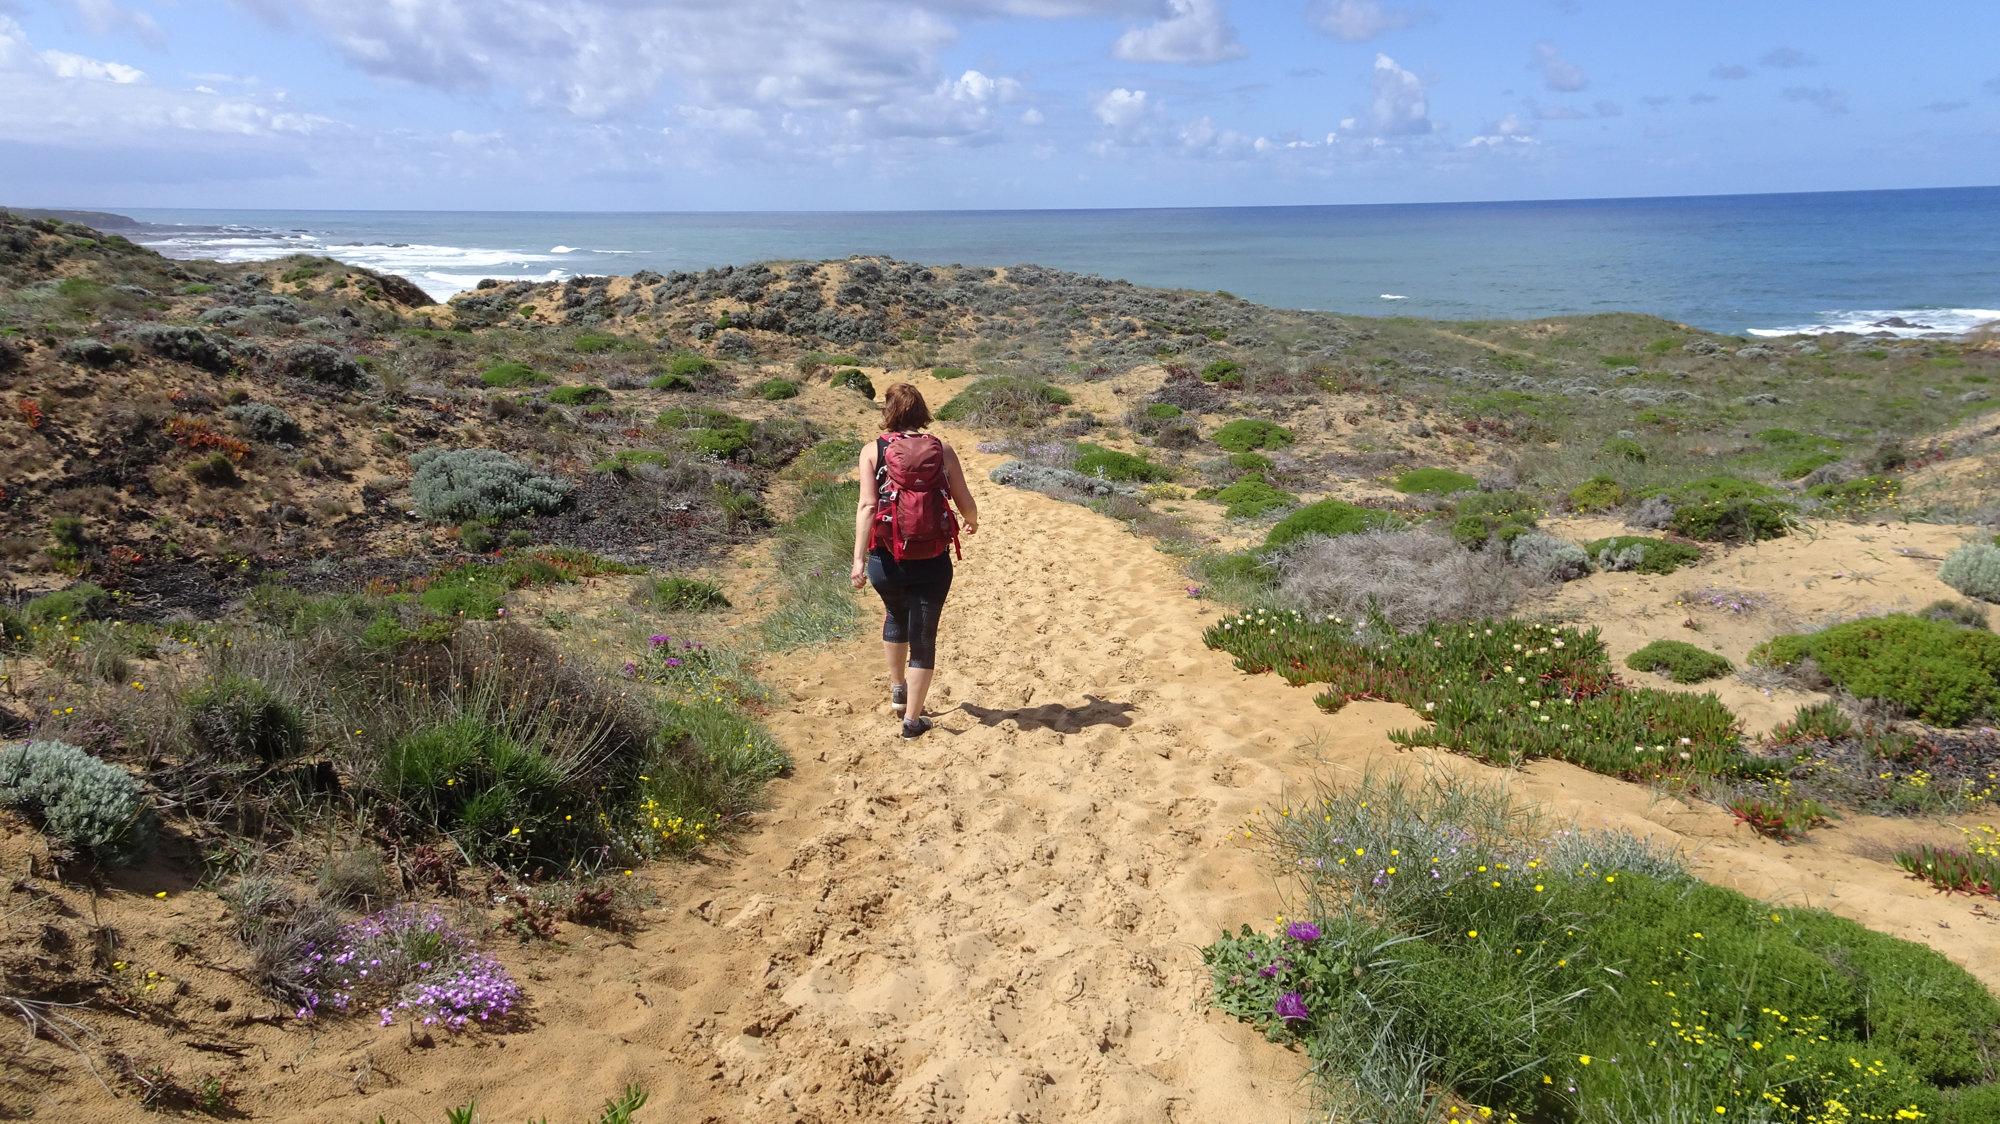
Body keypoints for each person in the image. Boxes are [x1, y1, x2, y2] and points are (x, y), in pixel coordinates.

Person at [850, 382, 979, 739]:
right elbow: (962, 497)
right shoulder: (941, 448)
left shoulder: (872, 450)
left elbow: (867, 506)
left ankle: (898, 689)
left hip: (884, 558)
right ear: (921, 411)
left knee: (895, 614)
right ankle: (912, 721)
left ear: (888, 412)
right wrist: (971, 519)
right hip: (933, 558)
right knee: (924, 637)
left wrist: (858, 561)